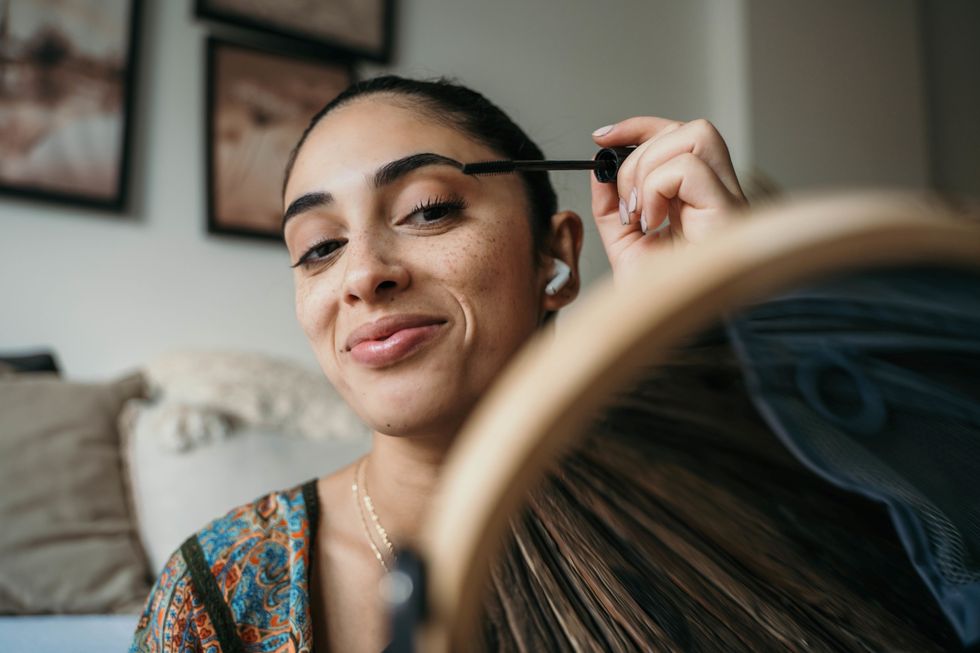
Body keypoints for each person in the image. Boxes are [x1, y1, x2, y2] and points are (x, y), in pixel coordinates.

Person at [129, 74, 750, 653]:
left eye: (428, 210)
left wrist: (718, 325)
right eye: (320, 248)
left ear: (555, 258)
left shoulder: (712, 520)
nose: (364, 275)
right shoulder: (215, 592)